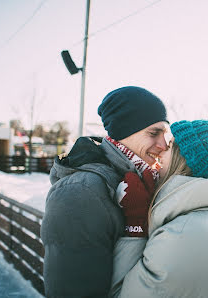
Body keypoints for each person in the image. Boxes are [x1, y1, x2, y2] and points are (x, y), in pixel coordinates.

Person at [111, 119, 208, 298]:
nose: (161, 149)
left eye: (170, 145)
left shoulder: (185, 235)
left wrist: (135, 222)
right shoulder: (206, 220)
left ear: (185, 159)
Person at [41, 86, 170, 297]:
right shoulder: (80, 193)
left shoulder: (146, 180)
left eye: (165, 134)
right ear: (124, 132)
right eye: (154, 133)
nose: (163, 145)